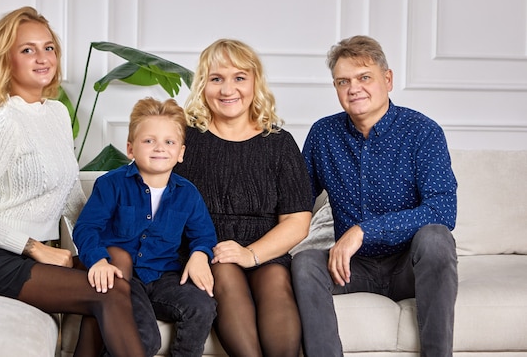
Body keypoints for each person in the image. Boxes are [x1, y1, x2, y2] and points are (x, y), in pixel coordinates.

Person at [0, 6, 146, 357]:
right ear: (6, 60)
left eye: (48, 47)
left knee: (115, 264)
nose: (43, 58)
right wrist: (36, 249)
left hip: (39, 255)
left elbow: (70, 195)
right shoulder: (6, 123)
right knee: (109, 290)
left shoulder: (56, 113)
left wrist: (98, 243)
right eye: (28, 50)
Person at [291, 35, 458, 357]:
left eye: (364, 77)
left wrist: (365, 230)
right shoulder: (324, 135)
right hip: (352, 268)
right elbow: (296, 204)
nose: (354, 88)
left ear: (388, 79)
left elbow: (442, 210)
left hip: (410, 265)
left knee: (436, 238)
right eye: (343, 81)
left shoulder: (422, 131)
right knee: (306, 262)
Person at [173, 38, 313, 357]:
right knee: (223, 268)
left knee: (277, 281)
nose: (227, 89)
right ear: (202, 85)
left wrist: (250, 254)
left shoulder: (279, 143)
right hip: (206, 249)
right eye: (216, 79)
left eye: (239, 78)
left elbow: (297, 221)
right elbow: (146, 187)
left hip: (264, 251)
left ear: (255, 83)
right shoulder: (184, 139)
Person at [73, 97, 218, 357]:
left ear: (181, 152)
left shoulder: (188, 193)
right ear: (131, 148)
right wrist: (98, 260)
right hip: (125, 279)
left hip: (165, 277)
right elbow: (86, 228)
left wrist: (200, 254)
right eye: (149, 140)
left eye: (169, 142)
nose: (159, 148)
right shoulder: (111, 185)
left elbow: (204, 235)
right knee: (145, 339)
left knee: (202, 306)